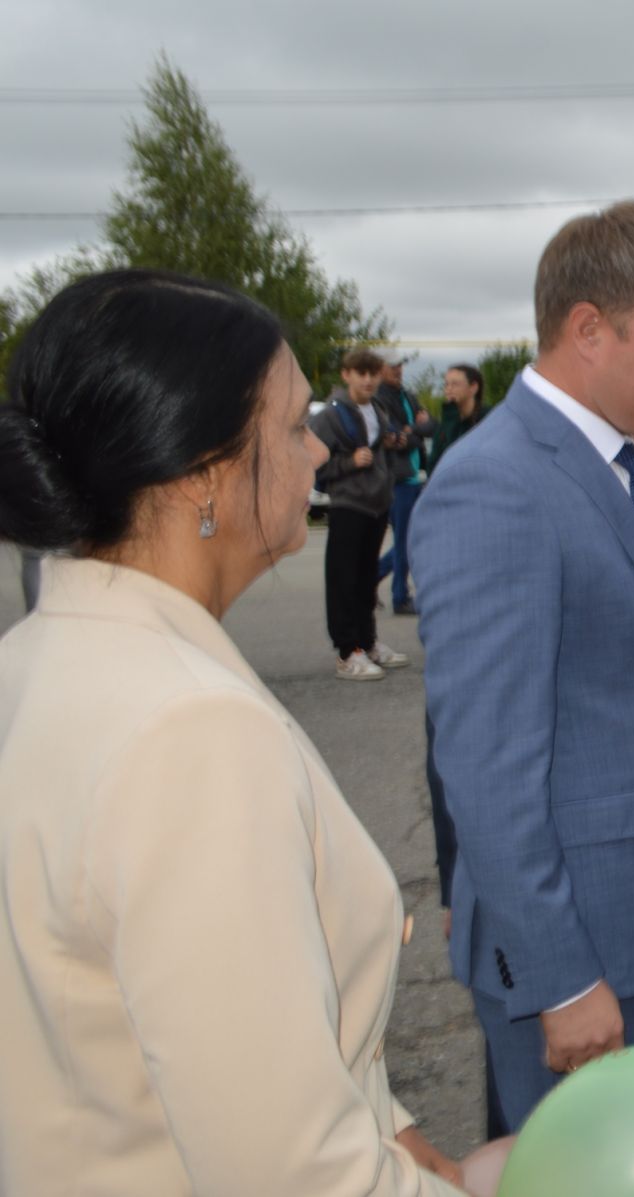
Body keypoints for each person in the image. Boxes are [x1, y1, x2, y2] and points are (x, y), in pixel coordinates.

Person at [0, 268, 505, 1193]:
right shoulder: (191, 733)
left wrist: (408, 1144)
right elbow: (292, 1173)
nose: (316, 451)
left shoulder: (34, 659)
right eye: (290, 424)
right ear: (202, 472)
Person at [410, 200, 634, 1132]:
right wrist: (560, 978)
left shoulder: (616, 459)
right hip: (578, 947)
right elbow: (484, 763)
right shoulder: (499, 483)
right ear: (588, 329)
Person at [311, 349, 410, 681]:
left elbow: (380, 451)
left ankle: (367, 643)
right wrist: (348, 463)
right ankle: (346, 651)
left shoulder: (378, 410)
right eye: (360, 373)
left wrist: (394, 443)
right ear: (346, 375)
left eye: (372, 373)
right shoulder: (330, 415)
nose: (367, 379)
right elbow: (313, 463)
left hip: (377, 505)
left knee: (367, 579)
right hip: (348, 505)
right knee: (343, 579)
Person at [376, 358, 434, 615]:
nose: (398, 370)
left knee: (410, 538)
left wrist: (414, 430)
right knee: (407, 540)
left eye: (400, 365)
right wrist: (414, 431)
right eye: (392, 365)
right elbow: (390, 436)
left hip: (414, 475)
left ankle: (371, 580)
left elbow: (431, 426)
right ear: (380, 370)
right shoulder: (380, 398)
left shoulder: (408, 395)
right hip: (396, 478)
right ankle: (400, 597)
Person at [427, 363, 488, 475]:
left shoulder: (488, 419)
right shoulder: (447, 420)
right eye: (446, 385)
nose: (449, 389)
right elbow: (434, 463)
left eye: (455, 384)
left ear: (473, 387)